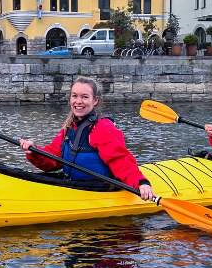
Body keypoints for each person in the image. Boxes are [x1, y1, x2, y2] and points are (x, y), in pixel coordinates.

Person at [19, 76, 155, 200]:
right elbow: (52, 159)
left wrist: (141, 183)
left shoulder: (103, 128)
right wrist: (34, 151)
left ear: (95, 101)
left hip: (98, 190)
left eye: (84, 97)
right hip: (73, 186)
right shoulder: (69, 127)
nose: (78, 101)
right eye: (74, 96)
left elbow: (120, 160)